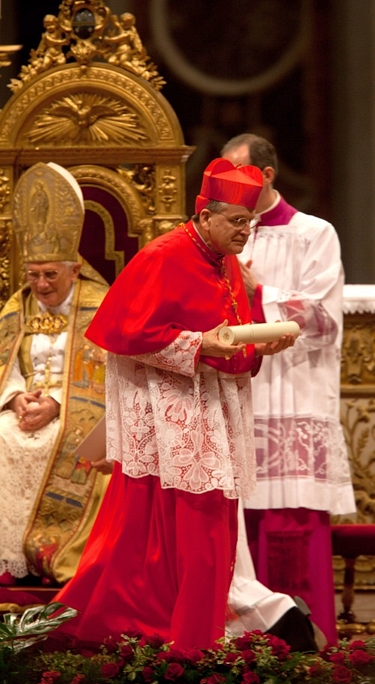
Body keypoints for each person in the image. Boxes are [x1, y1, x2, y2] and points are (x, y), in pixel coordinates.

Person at [52, 157, 315, 652]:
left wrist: (257, 348)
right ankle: (180, 644)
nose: (246, 231)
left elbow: (228, 336)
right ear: (205, 215)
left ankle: (196, 639)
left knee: (212, 538)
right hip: (170, 418)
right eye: (237, 222)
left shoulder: (225, 260)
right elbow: (125, 334)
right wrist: (201, 346)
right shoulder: (163, 256)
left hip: (211, 411)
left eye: (251, 222)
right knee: (174, 538)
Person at [221, 134, 356, 644]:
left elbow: (323, 319)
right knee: (236, 537)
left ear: (267, 176)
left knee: (288, 527)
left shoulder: (313, 233)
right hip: (238, 400)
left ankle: (308, 654)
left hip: (291, 396)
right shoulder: (226, 233)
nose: (230, 189)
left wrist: (262, 291)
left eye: (239, 176)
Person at [0, 162, 111, 587]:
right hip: (22, 411)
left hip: (79, 414)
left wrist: (57, 404)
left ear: (74, 269)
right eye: (33, 275)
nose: (41, 285)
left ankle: (58, 559)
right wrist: (15, 399)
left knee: (62, 442)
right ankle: (13, 560)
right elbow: (6, 365)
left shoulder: (100, 305)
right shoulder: (19, 304)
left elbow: (108, 374)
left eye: (50, 275)